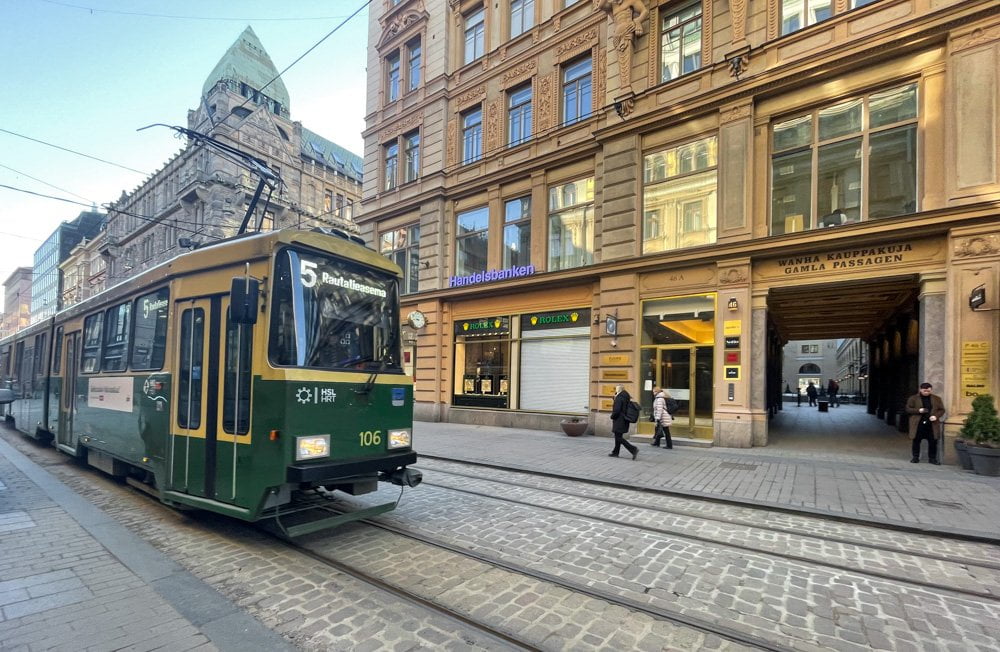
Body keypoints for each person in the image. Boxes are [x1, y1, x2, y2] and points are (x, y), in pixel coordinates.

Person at [906, 382, 945, 464]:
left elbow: (942, 409)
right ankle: (915, 457)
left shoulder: (937, 399)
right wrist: (918, 410)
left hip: (931, 423)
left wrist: (936, 416)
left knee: (933, 441)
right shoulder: (913, 398)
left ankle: (932, 458)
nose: (926, 392)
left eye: (928, 391)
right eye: (925, 391)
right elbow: (908, 409)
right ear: (920, 390)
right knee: (916, 440)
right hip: (918, 422)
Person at [609, 384, 638, 460]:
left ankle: (633, 449)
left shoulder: (619, 397)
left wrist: (612, 416)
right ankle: (615, 452)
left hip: (619, 419)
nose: (615, 390)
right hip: (624, 419)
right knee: (618, 436)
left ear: (618, 389)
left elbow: (617, 410)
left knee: (618, 437)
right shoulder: (625, 396)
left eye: (616, 389)